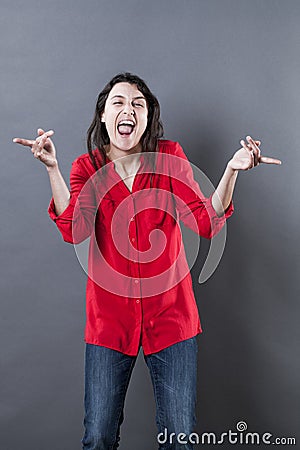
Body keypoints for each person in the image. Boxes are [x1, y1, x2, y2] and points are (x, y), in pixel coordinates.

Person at [13, 72, 281, 450]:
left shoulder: (169, 156)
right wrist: (52, 170)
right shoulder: (85, 167)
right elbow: (75, 229)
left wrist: (231, 171)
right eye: (118, 103)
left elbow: (204, 222)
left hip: (172, 319)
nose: (128, 109)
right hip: (109, 322)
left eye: (138, 103)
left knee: (179, 439)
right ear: (104, 118)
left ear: (148, 117)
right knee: (99, 437)